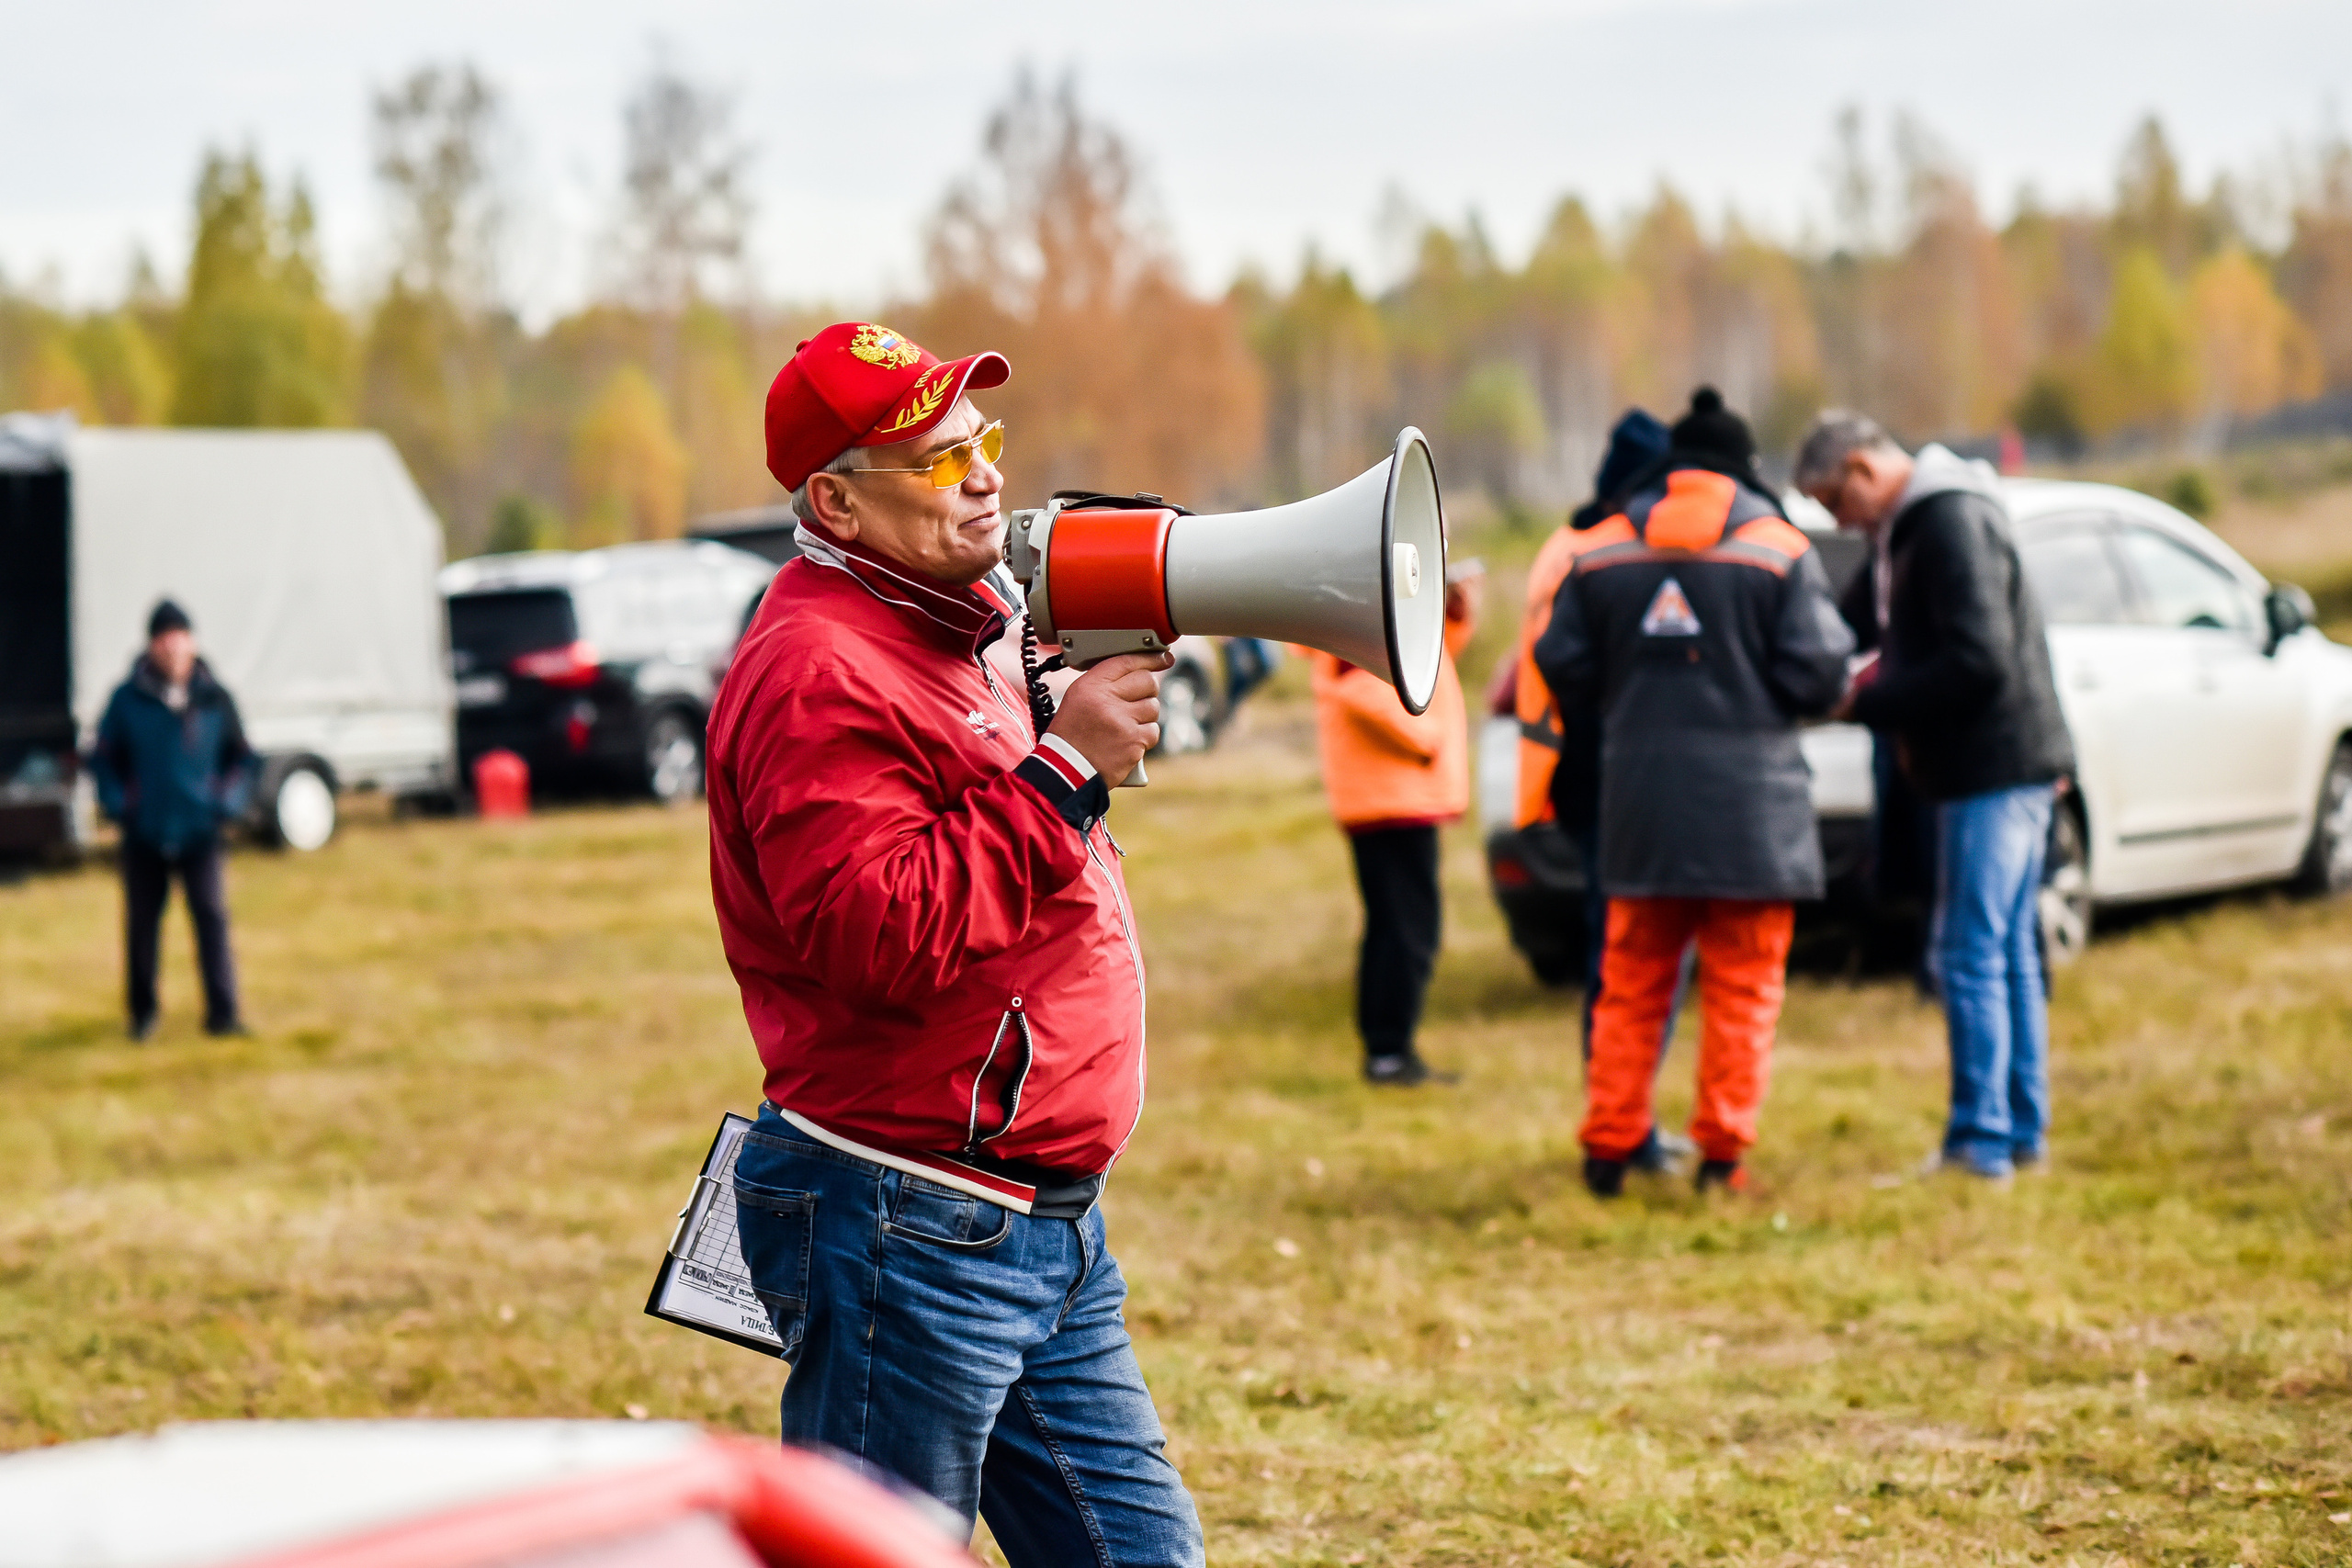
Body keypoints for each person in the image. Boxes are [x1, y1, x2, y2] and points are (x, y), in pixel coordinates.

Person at [703, 321, 1203, 1567]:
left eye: (982, 440)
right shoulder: (817, 668)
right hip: (907, 1218)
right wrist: (1071, 762)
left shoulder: (950, 623)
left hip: (1035, 1216)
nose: (984, 472)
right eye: (935, 461)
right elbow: (881, 935)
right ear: (835, 501)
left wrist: (1051, 707)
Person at [1535, 389, 1854, 1197]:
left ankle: (1607, 1151)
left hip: (1641, 809)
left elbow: (1559, 660)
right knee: (1743, 992)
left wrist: (1635, 682)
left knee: (1631, 985)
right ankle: (1722, 1159)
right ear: (1743, 469)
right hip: (1753, 816)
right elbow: (1819, 673)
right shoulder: (1780, 549)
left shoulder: (1601, 550)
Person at [1794, 412, 2075, 1181]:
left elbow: (1978, 661)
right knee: (2007, 950)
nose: (1834, 520)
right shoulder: (1904, 531)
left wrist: (1867, 705)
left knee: (1969, 953)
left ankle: (1980, 1143)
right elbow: (1849, 622)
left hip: (1991, 768)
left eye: (1831, 501)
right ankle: (2021, 1131)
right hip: (2001, 766)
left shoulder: (1945, 522)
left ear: (1861, 467)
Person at [1508, 408, 1695, 1170]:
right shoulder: (1601, 550)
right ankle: (1623, 1126)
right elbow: (1572, 670)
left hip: (1586, 779)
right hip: (1605, 778)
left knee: (1623, 956)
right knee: (1630, 962)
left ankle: (1626, 1120)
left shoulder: (1569, 542)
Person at [1309, 563, 1479, 1086]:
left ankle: (1389, 1049)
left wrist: (1451, 606)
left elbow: (1429, 657)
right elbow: (1363, 686)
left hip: (1396, 796)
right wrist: (1424, 737)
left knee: (1398, 927)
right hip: (1391, 797)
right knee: (1407, 932)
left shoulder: (1373, 616)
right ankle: (1389, 1053)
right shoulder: (1359, 624)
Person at [89, 600, 256, 1041]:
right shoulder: (128, 700)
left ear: (192, 642)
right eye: (164, 639)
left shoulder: (214, 698)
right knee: (143, 928)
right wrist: (121, 804)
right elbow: (104, 760)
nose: (173, 647)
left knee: (212, 918)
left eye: (180, 637)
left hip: (201, 831)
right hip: (145, 833)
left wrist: (227, 802)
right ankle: (142, 1015)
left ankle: (223, 1014)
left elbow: (242, 758)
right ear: (151, 646)